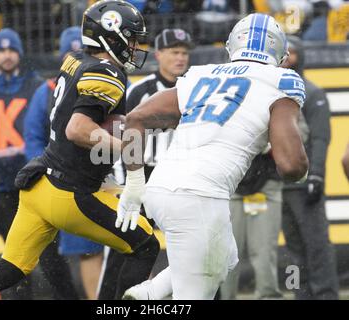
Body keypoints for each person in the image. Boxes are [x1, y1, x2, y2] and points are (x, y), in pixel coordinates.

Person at [0, 0, 159, 300]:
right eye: (131, 37)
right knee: (145, 244)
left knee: (8, 269)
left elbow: (95, 117)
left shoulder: (74, 60)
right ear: (110, 37)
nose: (135, 45)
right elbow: (78, 128)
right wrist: (126, 148)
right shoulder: (108, 75)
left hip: (38, 187)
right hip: (69, 194)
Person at [116, 13, 309, 300]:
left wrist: (133, 183)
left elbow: (135, 118)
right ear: (279, 52)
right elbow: (291, 165)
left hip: (159, 190)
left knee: (227, 257)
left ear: (232, 45)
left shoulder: (202, 74)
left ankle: (150, 293)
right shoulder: (281, 81)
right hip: (200, 197)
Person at [0, 28, 79, 300]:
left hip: (35, 182)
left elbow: (43, 129)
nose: (7, 56)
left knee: (48, 252)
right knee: (12, 255)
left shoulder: (36, 86)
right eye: (1, 51)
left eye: (12, 50)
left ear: (19, 53)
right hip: (2, 184)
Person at [97, 27, 194, 300]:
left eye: (185, 53)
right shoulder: (141, 91)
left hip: (182, 178)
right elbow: (118, 135)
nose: (180, 58)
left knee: (195, 247)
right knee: (124, 245)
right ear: (159, 54)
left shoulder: (194, 89)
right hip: (143, 175)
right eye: (174, 52)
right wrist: (123, 181)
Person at [24, 26, 103, 300]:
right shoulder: (45, 91)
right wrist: (48, 168)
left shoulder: (102, 84)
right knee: (80, 249)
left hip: (101, 177)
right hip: (61, 180)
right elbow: (33, 136)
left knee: (120, 245)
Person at [281, 35, 339, 300]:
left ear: (301, 57)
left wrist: (316, 174)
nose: (288, 58)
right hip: (278, 185)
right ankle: (299, 294)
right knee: (292, 249)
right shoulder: (273, 93)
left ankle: (326, 294)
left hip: (306, 185)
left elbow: (320, 138)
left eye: (292, 52)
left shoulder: (312, 93)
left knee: (317, 246)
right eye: (284, 53)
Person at [219, 147, 284, 299]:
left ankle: (268, 295)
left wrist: (274, 141)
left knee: (264, 251)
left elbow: (299, 134)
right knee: (226, 253)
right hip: (230, 182)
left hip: (267, 181)